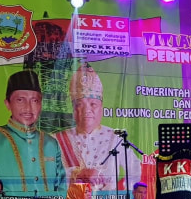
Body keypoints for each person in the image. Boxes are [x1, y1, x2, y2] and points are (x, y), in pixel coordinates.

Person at [0, 70, 66, 194]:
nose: (28, 108)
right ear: (7, 104)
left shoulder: (50, 143)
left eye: (34, 101)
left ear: (41, 105)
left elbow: (61, 188)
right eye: (20, 100)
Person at [55, 63, 141, 191]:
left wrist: (119, 190)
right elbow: (49, 176)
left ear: (102, 108)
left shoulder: (115, 138)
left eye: (93, 104)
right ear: (73, 109)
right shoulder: (57, 139)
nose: (86, 110)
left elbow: (135, 170)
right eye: (80, 105)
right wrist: (78, 174)